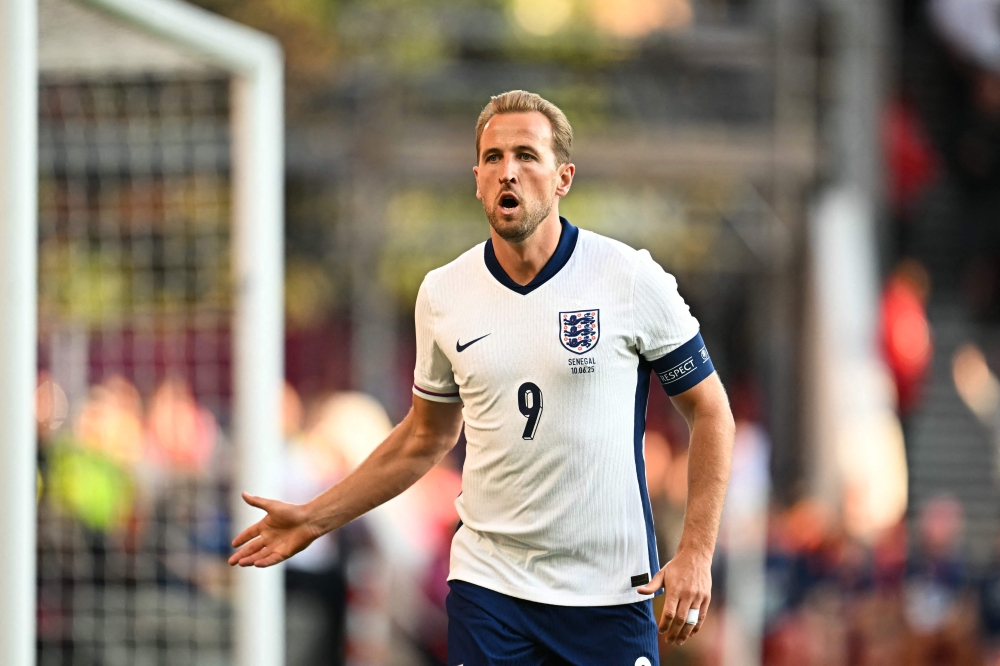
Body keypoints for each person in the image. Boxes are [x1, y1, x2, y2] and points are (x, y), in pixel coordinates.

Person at [228, 90, 735, 665]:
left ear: (563, 178)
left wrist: (697, 551)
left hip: (610, 592)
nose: (507, 171)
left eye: (526, 155)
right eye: (493, 158)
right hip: (490, 591)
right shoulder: (443, 294)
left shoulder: (629, 278)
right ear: (476, 180)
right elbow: (425, 437)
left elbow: (710, 410)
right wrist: (314, 519)